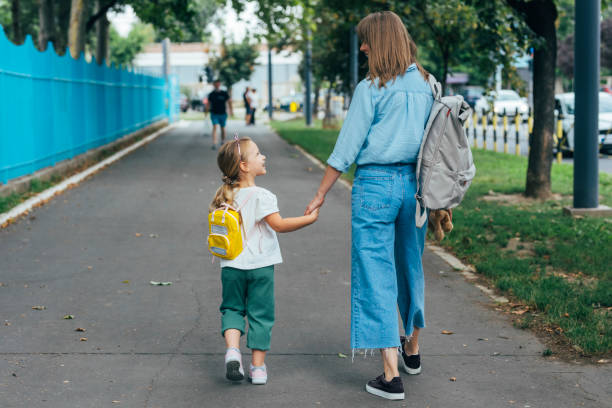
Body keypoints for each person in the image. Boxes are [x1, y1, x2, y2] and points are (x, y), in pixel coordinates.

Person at [304, 11, 433, 401]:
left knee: (376, 271)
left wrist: (321, 193)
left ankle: (391, 376)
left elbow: (347, 149)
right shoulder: (428, 84)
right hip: (416, 187)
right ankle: (412, 349)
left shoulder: (371, 88)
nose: (362, 47)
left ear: (381, 42)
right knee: (411, 265)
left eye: (366, 40)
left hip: (375, 185)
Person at [210, 137, 319, 385]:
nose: (263, 157)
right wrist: (309, 220)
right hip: (260, 267)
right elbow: (279, 225)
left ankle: (232, 351)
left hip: (231, 266)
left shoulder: (224, 196)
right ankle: (257, 368)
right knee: (261, 315)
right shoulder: (263, 195)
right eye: (258, 154)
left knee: (232, 308)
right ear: (244, 166)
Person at [207, 80, 231, 149]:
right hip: (214, 113)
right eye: (215, 84)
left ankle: (223, 141)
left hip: (223, 113)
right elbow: (208, 103)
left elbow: (229, 101)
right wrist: (206, 111)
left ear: (219, 85)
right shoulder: (211, 94)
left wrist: (230, 110)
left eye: (218, 84)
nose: (217, 85)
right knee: (214, 127)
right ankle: (214, 143)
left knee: (222, 128)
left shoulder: (224, 93)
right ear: (214, 85)